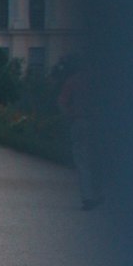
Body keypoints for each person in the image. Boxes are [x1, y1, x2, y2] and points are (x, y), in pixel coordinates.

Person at [58, 62, 102, 209]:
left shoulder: (73, 80)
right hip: (99, 124)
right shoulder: (98, 81)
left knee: (82, 161)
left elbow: (62, 102)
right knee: (96, 159)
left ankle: (88, 197)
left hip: (80, 121)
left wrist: (70, 115)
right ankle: (98, 193)